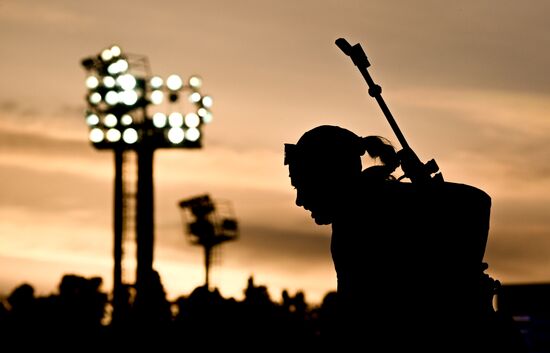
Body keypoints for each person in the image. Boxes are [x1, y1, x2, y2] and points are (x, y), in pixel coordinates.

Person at [284, 125, 526, 351]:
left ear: (328, 177)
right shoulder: (354, 216)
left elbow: (477, 203)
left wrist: (429, 193)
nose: (299, 201)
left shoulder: (378, 205)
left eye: (302, 186)